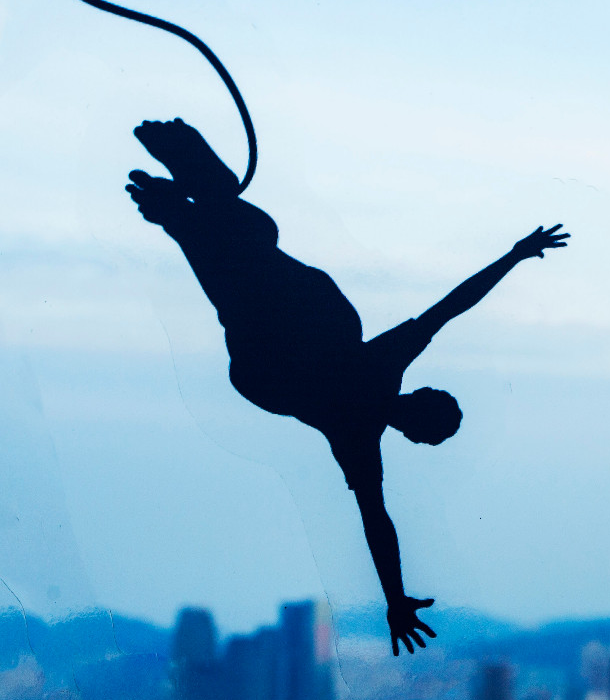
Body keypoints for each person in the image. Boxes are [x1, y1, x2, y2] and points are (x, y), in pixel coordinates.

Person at [125, 118, 568, 655]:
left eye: (430, 407)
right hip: (265, 326)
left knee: (233, 234)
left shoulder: (367, 409)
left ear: (420, 412)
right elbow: (454, 305)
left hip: (264, 343)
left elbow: (379, 524)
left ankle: (177, 202)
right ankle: (177, 202)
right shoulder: (369, 407)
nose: (422, 402)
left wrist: (515, 255)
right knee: (235, 234)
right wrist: (514, 256)